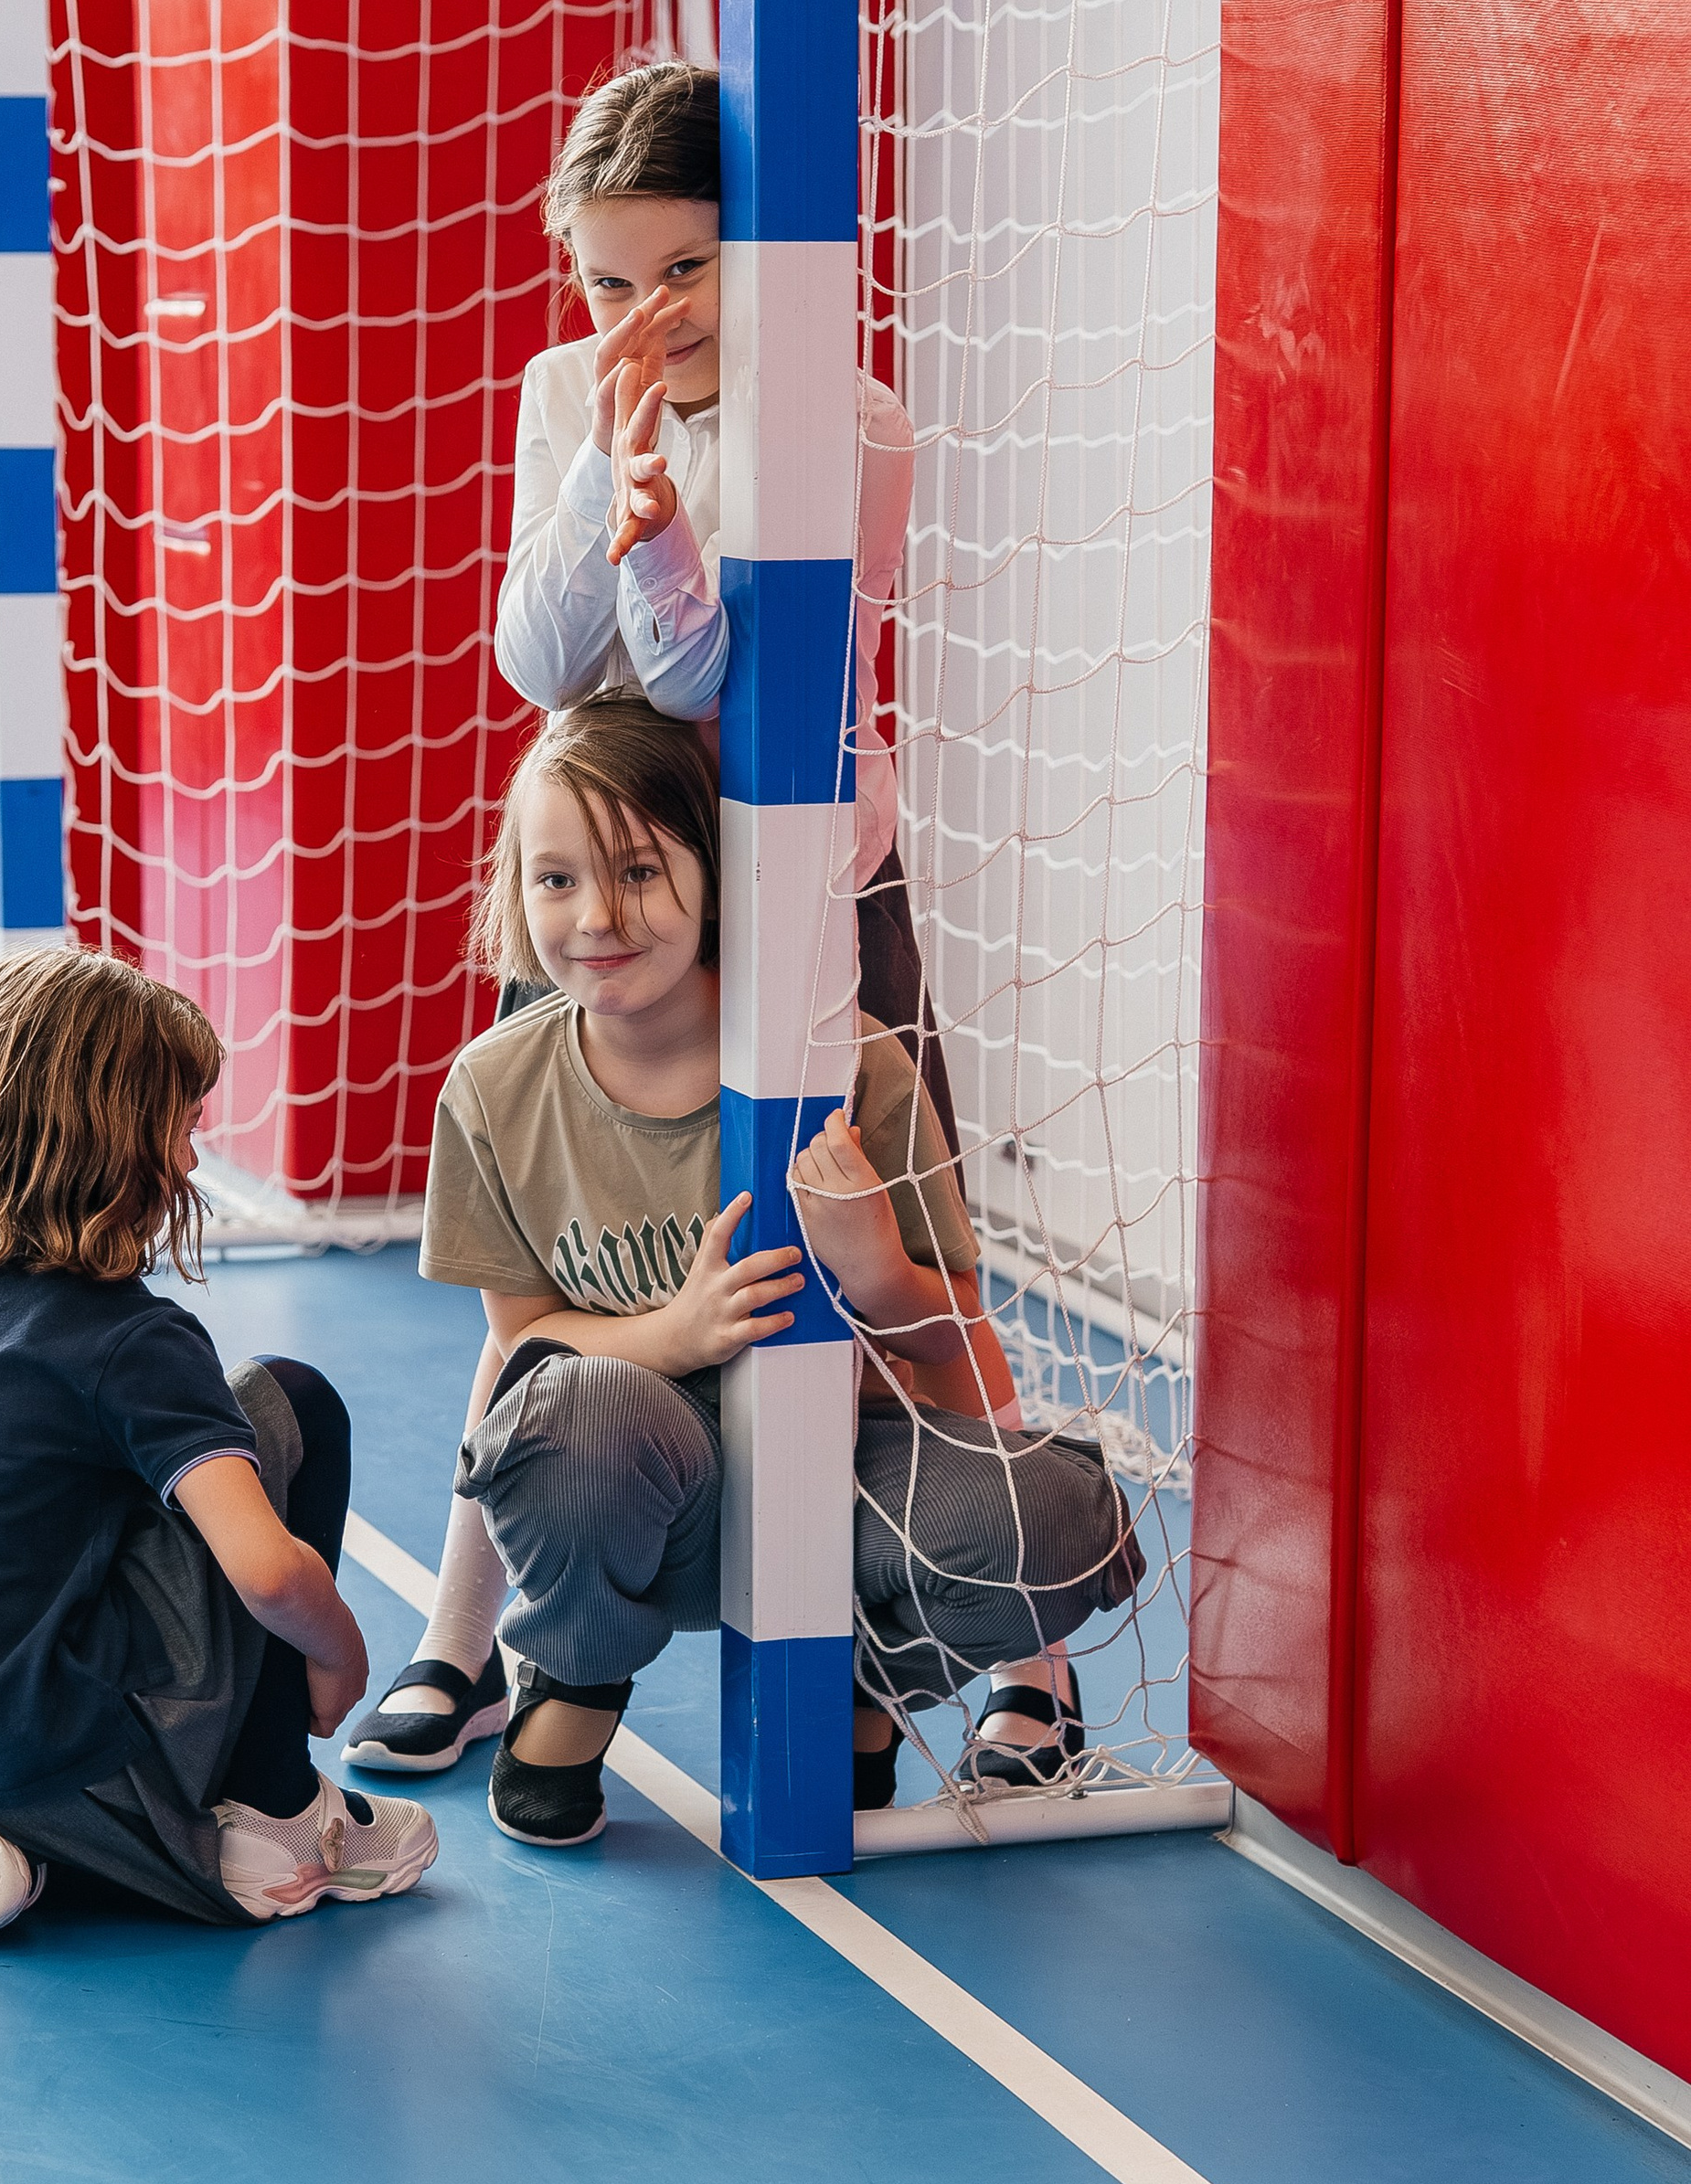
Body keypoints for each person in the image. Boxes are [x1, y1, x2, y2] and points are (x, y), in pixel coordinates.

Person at [344, 58, 966, 1776]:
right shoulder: (573, 388)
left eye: (683, 271)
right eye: (608, 278)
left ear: (762, 251)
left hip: (802, 885)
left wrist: (660, 527)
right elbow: (548, 662)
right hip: (615, 874)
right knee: (547, 1271)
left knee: (885, 1248)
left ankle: (980, 1665)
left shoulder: (849, 419)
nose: (640, 315)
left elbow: (711, 676)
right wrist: (604, 492)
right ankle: (467, 1635)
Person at [375, 694, 1141, 1849]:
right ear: (515, 891)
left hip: (846, 1481)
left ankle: (863, 1673)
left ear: (714, 873)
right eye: (555, 879)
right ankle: (574, 1679)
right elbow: (524, 1339)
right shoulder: (495, 1090)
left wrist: (876, 1266)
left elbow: (952, 1331)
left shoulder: (853, 1069)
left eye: (639, 870)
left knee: (1061, 1517)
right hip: (644, 1493)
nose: (596, 916)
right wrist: (671, 1338)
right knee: (566, 1415)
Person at [0, 949, 437, 1942]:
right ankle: (279, 1816)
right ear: (117, 1142)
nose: (191, 1161)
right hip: (69, 1758)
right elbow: (268, 1575)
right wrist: (342, 1651)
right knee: (292, 1401)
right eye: (181, 1130)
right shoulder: (128, 1337)